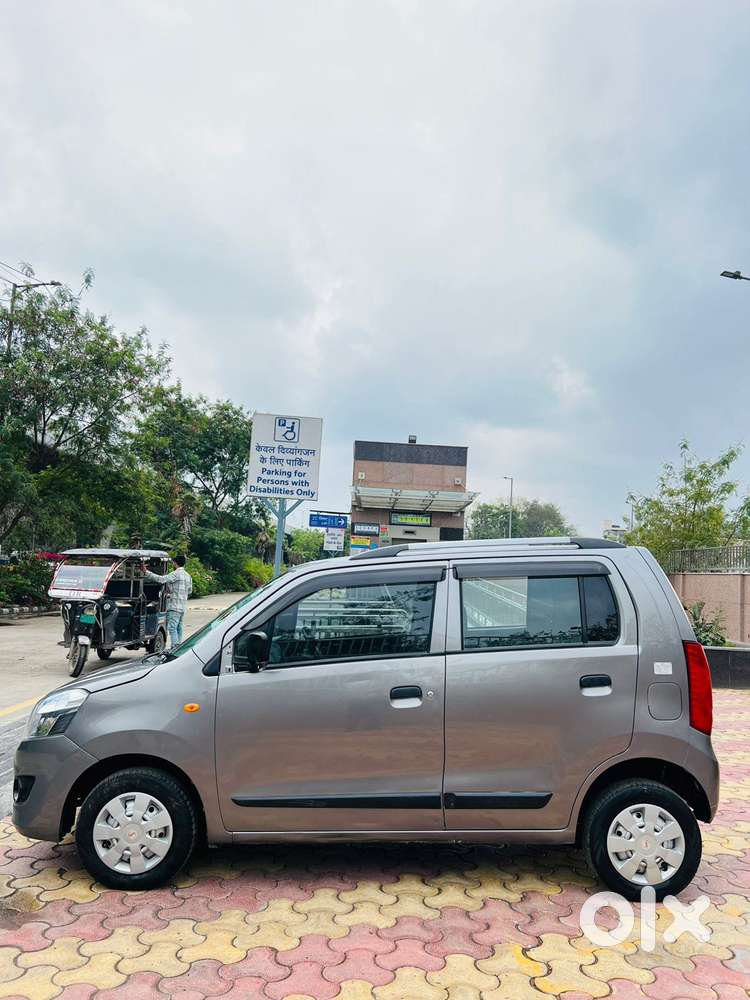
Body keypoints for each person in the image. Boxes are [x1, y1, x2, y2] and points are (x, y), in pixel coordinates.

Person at [143, 554, 193, 648]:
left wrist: (146, 572)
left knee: (172, 628)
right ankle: (179, 645)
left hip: (174, 606)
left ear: (175, 563)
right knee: (179, 627)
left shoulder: (175, 574)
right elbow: (189, 591)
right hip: (182, 607)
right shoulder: (188, 576)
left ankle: (175, 646)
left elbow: (161, 579)